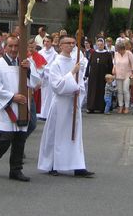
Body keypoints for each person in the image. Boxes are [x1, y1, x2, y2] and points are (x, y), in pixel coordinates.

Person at [0, 34, 41, 182]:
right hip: (8, 106)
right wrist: (11, 97)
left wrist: (29, 70)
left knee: (20, 139)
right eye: (10, 46)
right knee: (5, 138)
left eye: (16, 46)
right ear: (5, 47)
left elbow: (36, 81)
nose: (13, 49)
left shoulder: (25, 62)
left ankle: (16, 170)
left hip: (23, 106)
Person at [37, 35, 94, 177]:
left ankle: (77, 165)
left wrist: (78, 91)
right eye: (67, 43)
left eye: (73, 43)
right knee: (57, 133)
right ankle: (52, 164)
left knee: (74, 135)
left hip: (73, 102)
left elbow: (81, 82)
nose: (71, 45)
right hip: (60, 103)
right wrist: (72, 73)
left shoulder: (76, 61)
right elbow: (56, 85)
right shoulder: (56, 63)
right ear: (60, 45)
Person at [85, 38, 113, 113]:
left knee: (102, 91)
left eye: (101, 45)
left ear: (103, 45)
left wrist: (110, 76)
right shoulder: (93, 53)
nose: (100, 46)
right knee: (92, 91)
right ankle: (91, 107)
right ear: (96, 45)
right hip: (93, 76)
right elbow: (89, 64)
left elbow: (110, 65)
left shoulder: (107, 54)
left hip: (103, 76)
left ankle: (102, 107)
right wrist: (87, 74)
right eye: (98, 45)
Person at [112, 38, 133, 114]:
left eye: (119, 50)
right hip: (118, 74)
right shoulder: (116, 54)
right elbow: (115, 64)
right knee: (119, 91)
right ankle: (121, 106)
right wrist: (113, 69)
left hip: (127, 74)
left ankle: (127, 107)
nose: (118, 51)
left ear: (123, 49)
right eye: (117, 50)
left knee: (125, 90)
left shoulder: (129, 53)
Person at [39, 35, 58, 120]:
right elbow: (37, 64)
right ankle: (41, 113)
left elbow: (54, 66)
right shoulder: (40, 52)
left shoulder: (55, 54)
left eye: (48, 41)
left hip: (49, 76)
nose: (46, 43)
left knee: (48, 96)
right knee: (42, 96)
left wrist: (46, 69)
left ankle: (47, 114)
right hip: (41, 76)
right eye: (45, 41)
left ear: (51, 42)